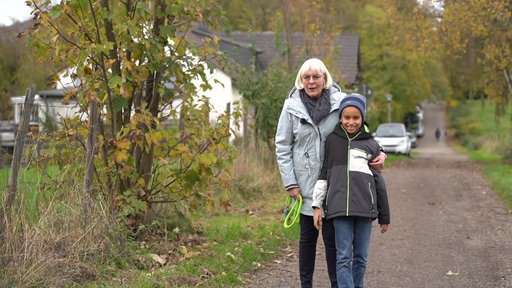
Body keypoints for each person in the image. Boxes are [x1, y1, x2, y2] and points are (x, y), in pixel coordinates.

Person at [275, 58, 387, 288]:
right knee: (307, 240)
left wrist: (381, 152)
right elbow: (283, 145)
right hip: (304, 185)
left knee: (333, 241)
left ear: (325, 79)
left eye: (316, 76)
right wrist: (290, 183)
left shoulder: (340, 102)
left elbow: (361, 128)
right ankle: (306, 284)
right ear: (300, 80)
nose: (311, 81)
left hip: (336, 184)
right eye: (306, 77)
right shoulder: (291, 106)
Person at [312, 93, 390, 288]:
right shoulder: (332, 141)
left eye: (356, 117)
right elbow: (324, 175)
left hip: (364, 211)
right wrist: (317, 206)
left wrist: (384, 216)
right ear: (340, 118)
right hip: (340, 211)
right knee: (343, 258)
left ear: (362, 118)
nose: (351, 122)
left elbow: (378, 182)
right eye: (347, 117)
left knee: (361, 258)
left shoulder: (370, 144)